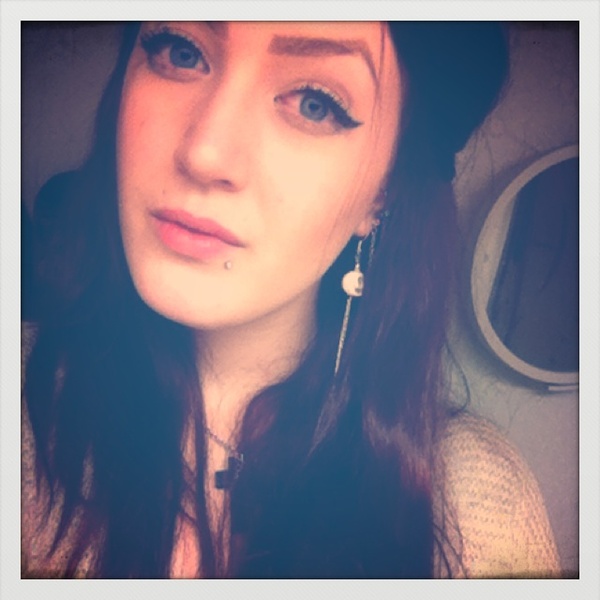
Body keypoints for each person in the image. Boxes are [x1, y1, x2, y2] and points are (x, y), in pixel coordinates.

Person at [21, 21, 561, 578]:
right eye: (181, 51)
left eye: (314, 104)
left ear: (383, 192)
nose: (205, 153)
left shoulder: (478, 504)